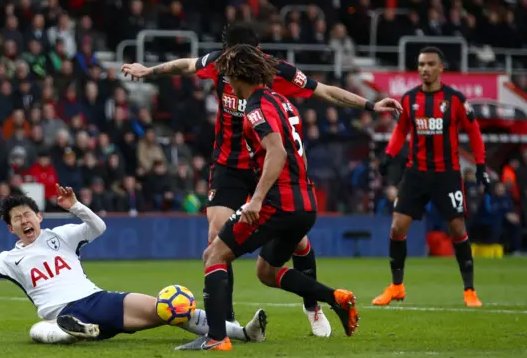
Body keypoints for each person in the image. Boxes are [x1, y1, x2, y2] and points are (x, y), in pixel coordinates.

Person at [121, 22, 401, 338]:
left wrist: (369, 104)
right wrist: (149, 71)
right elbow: (187, 65)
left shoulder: (273, 71)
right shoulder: (218, 63)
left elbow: (323, 91)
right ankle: (225, 323)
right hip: (228, 166)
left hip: (266, 166)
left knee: (296, 241)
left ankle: (314, 307)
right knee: (217, 237)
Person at [174, 45, 359, 352]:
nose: (226, 83)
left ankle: (217, 338)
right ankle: (336, 298)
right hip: (305, 202)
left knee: (214, 255)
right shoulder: (282, 100)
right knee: (266, 272)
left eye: (229, 75)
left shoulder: (255, 108)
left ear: (240, 74)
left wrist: (257, 200)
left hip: (277, 202)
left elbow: (276, 150)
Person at [0, 184, 267, 345]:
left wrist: (76, 207)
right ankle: (71, 329)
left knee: (169, 308)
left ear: (38, 216)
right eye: (16, 218)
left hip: (99, 300)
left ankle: (242, 333)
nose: (24, 220)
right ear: (10, 227)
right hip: (61, 309)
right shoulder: (10, 259)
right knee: (39, 331)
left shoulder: (61, 235)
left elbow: (98, 227)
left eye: (27, 214)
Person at [375, 46, 491, 307]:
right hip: (416, 174)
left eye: (429, 64)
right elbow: (401, 131)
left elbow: (474, 132)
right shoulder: (408, 99)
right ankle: (396, 287)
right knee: (397, 227)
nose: (424, 69)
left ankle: (469, 291)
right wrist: (388, 155)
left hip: (447, 174)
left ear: (441, 68)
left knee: (457, 228)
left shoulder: (456, 100)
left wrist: (481, 165)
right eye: (421, 64)